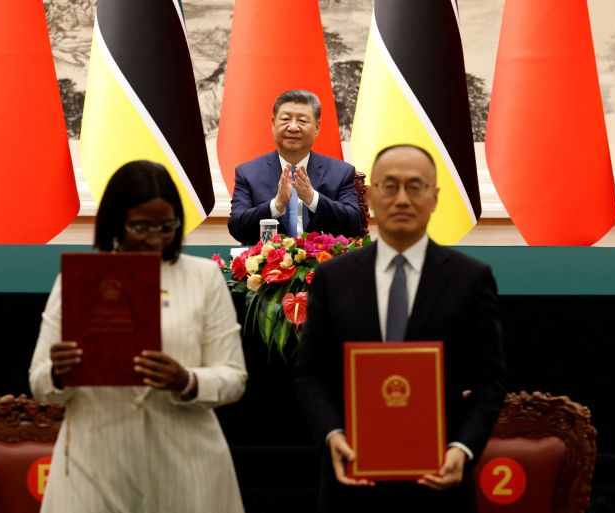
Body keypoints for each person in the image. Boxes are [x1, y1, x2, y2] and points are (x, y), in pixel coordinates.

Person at [294, 144, 506, 513]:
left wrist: (463, 449)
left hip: (440, 479)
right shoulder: (333, 277)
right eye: (389, 186)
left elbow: (491, 380)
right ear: (372, 196)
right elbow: (311, 373)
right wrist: (332, 435)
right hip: (352, 478)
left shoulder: (469, 279)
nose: (403, 198)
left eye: (416, 186)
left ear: (435, 197)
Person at [29, 160, 247, 513]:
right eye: (141, 227)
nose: (155, 239)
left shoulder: (204, 277)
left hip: (187, 463)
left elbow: (234, 377)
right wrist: (58, 371)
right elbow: (39, 383)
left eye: (167, 226)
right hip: (95, 464)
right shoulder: (79, 280)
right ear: (117, 223)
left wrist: (187, 381)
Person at [227, 89, 363, 245]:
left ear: (317, 127)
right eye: (285, 119)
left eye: (302, 121)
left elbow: (354, 225)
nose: (292, 127)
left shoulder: (341, 173)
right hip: (268, 266)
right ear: (273, 124)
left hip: (323, 265)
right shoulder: (248, 173)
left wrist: (313, 199)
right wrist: (276, 205)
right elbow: (237, 228)